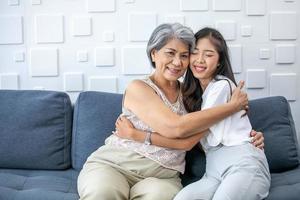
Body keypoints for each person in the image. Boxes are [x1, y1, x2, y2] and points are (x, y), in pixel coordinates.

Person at [77, 23, 259, 200]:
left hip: (163, 177)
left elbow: (191, 141)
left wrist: (246, 135)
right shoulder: (138, 88)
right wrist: (230, 108)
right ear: (154, 53)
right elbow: (175, 128)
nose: (177, 62)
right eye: (170, 53)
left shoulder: (192, 95)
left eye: (184, 55)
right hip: (115, 165)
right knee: (103, 194)